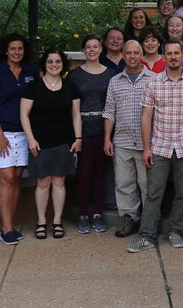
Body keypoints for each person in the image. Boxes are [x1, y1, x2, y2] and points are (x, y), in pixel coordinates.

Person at [129, 41, 183, 253]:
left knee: (182, 193)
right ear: (164, 56)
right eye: (169, 53)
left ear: (182, 55)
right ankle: (147, 236)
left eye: (176, 53)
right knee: (154, 193)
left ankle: (175, 231)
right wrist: (146, 148)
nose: (172, 57)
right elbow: (146, 117)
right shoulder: (153, 84)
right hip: (159, 147)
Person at [19, 48, 82, 240]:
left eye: (58, 61)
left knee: (59, 181)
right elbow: (24, 114)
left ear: (63, 65)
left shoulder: (71, 87)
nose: (54, 65)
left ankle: (56, 221)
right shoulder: (34, 87)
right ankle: (40, 221)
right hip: (40, 143)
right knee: (43, 182)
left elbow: (76, 115)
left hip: (64, 142)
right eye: (50, 61)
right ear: (44, 64)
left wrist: (78, 139)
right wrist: (30, 138)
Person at [0, 33, 37, 245]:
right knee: (6, 178)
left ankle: (11, 224)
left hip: (24, 133)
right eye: (13, 49)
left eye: (20, 49)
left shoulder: (31, 71)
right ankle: (5, 228)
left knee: (16, 179)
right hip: (1, 133)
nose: (17, 52)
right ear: (6, 50)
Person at [103, 39, 155, 239]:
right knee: (124, 184)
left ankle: (149, 222)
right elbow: (110, 111)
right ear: (123, 55)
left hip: (146, 144)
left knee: (147, 185)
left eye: (136, 53)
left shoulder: (153, 79)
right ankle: (130, 219)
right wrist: (107, 138)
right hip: (122, 141)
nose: (132, 56)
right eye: (129, 53)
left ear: (142, 55)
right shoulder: (115, 81)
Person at [67, 35, 117, 234]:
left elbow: (113, 104)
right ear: (83, 50)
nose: (92, 50)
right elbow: (71, 106)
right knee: (84, 172)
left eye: (95, 46)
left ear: (101, 48)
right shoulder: (75, 75)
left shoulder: (111, 74)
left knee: (100, 172)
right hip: (82, 128)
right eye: (88, 47)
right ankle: (82, 215)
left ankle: (97, 213)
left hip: (104, 128)